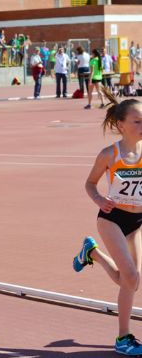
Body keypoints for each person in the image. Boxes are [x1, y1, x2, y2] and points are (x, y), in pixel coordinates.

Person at [73, 89, 142, 356]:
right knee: (132, 277)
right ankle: (123, 339)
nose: (141, 125)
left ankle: (92, 254)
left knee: (130, 281)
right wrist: (100, 199)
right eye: (137, 121)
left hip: (137, 221)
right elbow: (90, 184)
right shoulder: (109, 154)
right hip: (112, 218)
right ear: (120, 125)